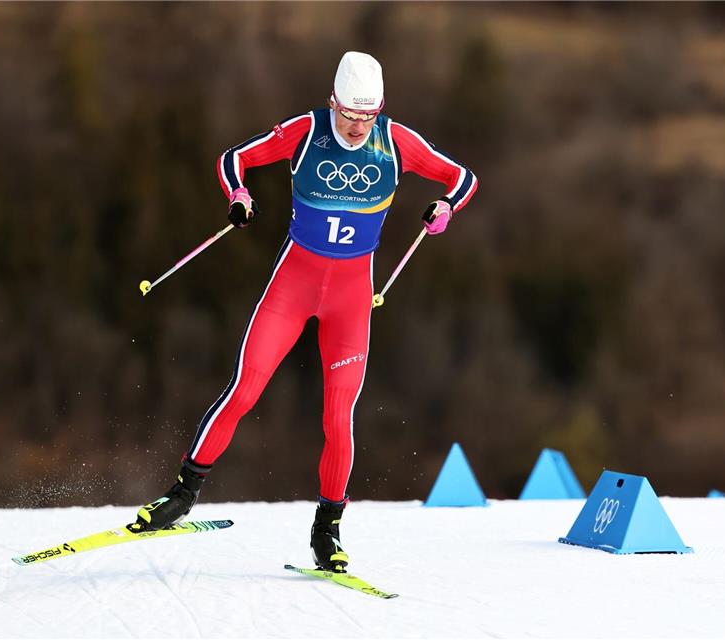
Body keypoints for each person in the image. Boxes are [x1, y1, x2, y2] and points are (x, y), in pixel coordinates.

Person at [133, 51, 478, 572]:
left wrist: (446, 206)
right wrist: (239, 195)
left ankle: (327, 532)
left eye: (368, 116)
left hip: (350, 300)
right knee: (243, 391)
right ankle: (182, 494)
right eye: (349, 115)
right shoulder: (306, 131)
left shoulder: (396, 141)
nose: (358, 127)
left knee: (339, 418)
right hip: (292, 287)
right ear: (332, 103)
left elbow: (463, 178)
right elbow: (234, 158)